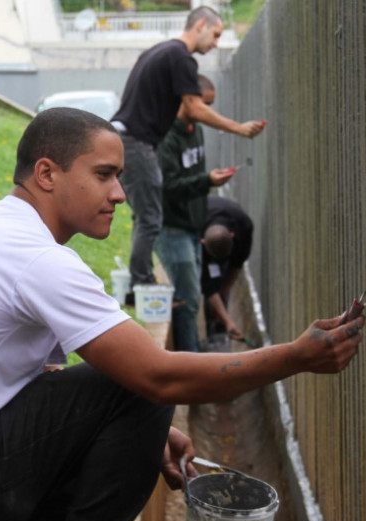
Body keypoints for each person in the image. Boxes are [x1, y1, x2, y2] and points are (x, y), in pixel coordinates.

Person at [0, 108, 364, 521]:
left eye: (119, 177)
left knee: (131, 402)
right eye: (103, 175)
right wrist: (296, 357)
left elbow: (32, 381)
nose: (120, 194)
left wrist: (148, 436)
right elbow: (158, 377)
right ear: (47, 174)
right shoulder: (36, 259)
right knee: (140, 388)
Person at [110, 6, 265, 291]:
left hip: (127, 139)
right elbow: (194, 107)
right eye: (215, 34)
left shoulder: (159, 51)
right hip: (136, 142)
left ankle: (140, 279)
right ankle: (141, 282)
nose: (216, 43)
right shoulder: (181, 57)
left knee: (146, 215)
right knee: (151, 218)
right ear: (200, 24)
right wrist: (239, 128)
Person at [154, 75, 234, 352]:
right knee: (186, 302)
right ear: (187, 99)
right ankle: (192, 364)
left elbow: (192, 178)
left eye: (210, 105)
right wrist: (207, 180)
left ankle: (192, 356)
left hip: (192, 226)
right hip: (172, 228)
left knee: (192, 299)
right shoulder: (165, 136)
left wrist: (206, 181)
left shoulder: (195, 130)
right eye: (204, 104)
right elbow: (168, 186)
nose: (207, 112)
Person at [201, 195, 254, 341]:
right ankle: (212, 330)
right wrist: (228, 320)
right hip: (204, 223)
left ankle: (220, 328)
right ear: (202, 241)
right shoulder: (195, 227)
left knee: (221, 287)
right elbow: (207, 286)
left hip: (230, 224)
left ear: (232, 235)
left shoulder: (244, 226)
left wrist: (223, 293)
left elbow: (236, 265)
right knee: (211, 285)